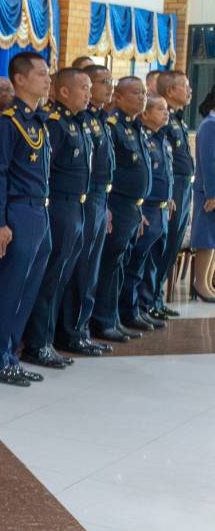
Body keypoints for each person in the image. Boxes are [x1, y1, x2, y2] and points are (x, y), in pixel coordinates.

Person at [0, 51, 53, 386]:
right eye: (41, 73)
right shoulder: (7, 123)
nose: (47, 79)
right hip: (17, 212)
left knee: (27, 289)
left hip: (39, 210)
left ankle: (10, 355)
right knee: (10, 288)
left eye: (48, 74)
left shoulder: (37, 120)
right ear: (19, 79)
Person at [20, 67, 91, 368]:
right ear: (64, 91)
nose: (88, 94)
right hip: (58, 207)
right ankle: (37, 344)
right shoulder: (55, 123)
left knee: (62, 277)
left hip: (76, 206)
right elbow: (45, 170)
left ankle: (49, 339)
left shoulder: (76, 122)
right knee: (50, 278)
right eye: (84, 88)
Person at [59, 65, 116, 354]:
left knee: (91, 270)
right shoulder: (81, 120)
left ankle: (81, 329)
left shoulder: (100, 119)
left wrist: (106, 205)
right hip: (85, 198)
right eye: (103, 82)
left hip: (98, 199)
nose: (109, 87)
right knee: (81, 270)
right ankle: (72, 333)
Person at [92, 77, 151, 343]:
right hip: (117, 205)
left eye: (144, 93)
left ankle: (113, 317)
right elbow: (107, 172)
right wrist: (107, 207)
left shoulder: (136, 126)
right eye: (136, 93)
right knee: (110, 265)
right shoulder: (112, 126)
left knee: (121, 265)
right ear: (118, 97)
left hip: (132, 207)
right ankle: (102, 321)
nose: (142, 98)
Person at [125, 95, 172, 329]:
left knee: (153, 262)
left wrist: (169, 197)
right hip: (148, 209)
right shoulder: (143, 137)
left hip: (161, 208)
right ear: (145, 114)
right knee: (137, 264)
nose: (166, 113)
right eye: (160, 109)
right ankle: (131, 310)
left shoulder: (162, 138)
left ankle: (146, 305)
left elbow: (165, 174)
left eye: (166, 109)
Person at [150, 71, 194, 318]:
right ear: (169, 91)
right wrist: (169, 193)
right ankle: (149, 299)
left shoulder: (177, 119)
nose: (189, 90)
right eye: (184, 86)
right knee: (163, 246)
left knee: (173, 244)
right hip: (173, 187)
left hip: (183, 186)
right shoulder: (163, 118)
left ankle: (156, 298)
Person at [192, 85, 215, 301]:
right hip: (209, 191)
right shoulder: (209, 125)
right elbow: (209, 162)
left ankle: (207, 283)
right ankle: (200, 284)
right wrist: (212, 193)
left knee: (213, 240)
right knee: (206, 239)